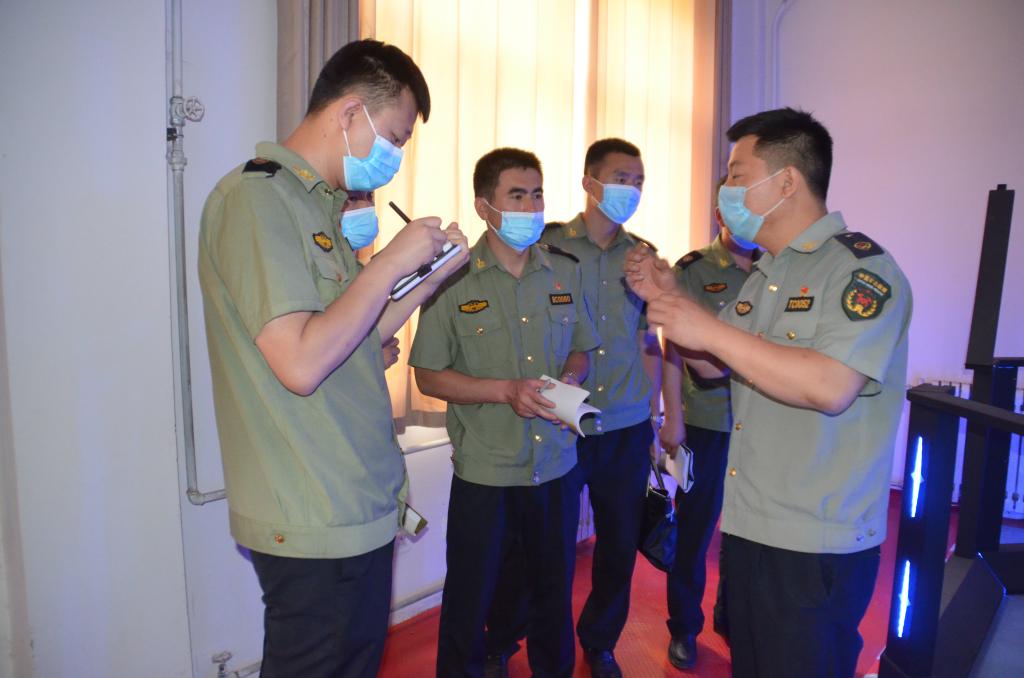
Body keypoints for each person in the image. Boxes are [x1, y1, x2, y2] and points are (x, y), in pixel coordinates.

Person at [197, 40, 469, 678]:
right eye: (394, 138)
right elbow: (300, 362)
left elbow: (356, 333)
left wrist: (427, 278)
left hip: (352, 498)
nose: (394, 157)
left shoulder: (318, 206)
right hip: (312, 508)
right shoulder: (258, 200)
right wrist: (391, 262)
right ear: (349, 113)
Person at [625, 107, 912, 678]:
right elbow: (712, 368)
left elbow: (830, 386)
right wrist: (671, 296)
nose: (725, 189)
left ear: (786, 182)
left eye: (737, 175)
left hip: (816, 538)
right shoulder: (767, 275)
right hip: (752, 522)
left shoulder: (860, 271)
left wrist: (705, 328)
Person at [409, 148, 599, 678]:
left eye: (537, 194)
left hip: (555, 466)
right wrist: (504, 391)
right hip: (487, 471)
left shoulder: (564, 271)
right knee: (470, 601)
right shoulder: (451, 281)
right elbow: (428, 375)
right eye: (517, 196)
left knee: (553, 596)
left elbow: (582, 349)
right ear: (484, 207)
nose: (531, 207)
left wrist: (571, 380)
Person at [485, 138, 661, 678]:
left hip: (625, 423)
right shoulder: (551, 246)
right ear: (589, 182)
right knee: (540, 546)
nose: (631, 190)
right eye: (621, 179)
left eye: (638, 182)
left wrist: (656, 415)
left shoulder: (645, 257)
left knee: (619, 546)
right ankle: (506, 637)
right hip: (561, 421)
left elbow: (650, 341)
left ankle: (600, 640)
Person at [659, 183, 756, 670]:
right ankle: (684, 627)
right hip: (707, 422)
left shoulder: (776, 270)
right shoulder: (693, 270)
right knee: (696, 530)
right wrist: (672, 416)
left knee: (750, 533)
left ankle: (734, 618)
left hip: (759, 424)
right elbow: (673, 348)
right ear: (719, 213)